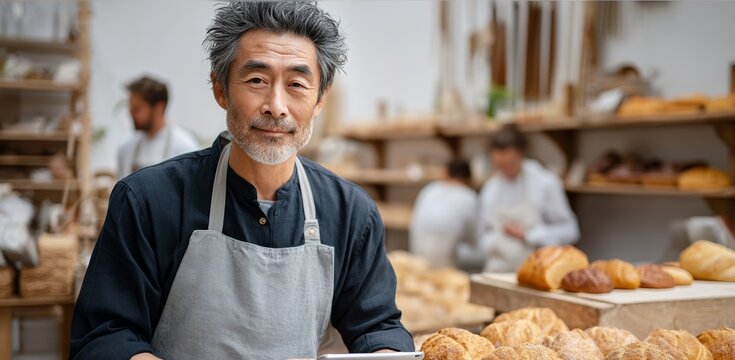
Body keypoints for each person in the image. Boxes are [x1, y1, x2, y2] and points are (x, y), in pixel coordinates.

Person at [70, 2, 413, 359]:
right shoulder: (147, 202)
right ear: (221, 90)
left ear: (319, 100)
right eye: (256, 81)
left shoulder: (350, 213)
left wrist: (385, 352)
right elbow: (104, 336)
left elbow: (378, 326)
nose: (276, 106)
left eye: (296, 84)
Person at [477, 124, 580, 272]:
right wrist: (494, 242)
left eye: (510, 163)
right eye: (500, 165)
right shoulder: (490, 188)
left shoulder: (545, 182)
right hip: (497, 270)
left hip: (537, 269)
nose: (506, 170)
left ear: (522, 153)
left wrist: (529, 235)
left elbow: (571, 230)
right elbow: (482, 234)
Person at [116, 76, 200, 178]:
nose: (131, 113)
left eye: (137, 108)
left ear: (159, 108)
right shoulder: (126, 147)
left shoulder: (185, 148)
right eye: (130, 107)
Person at [409, 158, 477, 268]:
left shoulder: (428, 190)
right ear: (469, 178)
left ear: (445, 172)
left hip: (417, 261)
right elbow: (474, 239)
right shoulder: (468, 196)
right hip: (446, 267)